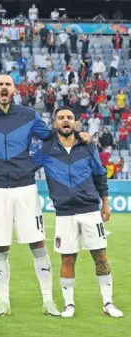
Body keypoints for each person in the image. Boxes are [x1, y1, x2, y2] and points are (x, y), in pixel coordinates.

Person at [0, 74, 79, 316]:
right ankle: (3, 301)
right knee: (0, 247)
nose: (4, 88)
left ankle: (48, 301)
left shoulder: (28, 115)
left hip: (26, 187)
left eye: (8, 84)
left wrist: (34, 162)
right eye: (0, 84)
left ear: (15, 89)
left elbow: (52, 138)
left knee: (38, 244)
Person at [30, 107, 123, 318]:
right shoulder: (46, 149)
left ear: (75, 123)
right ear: (55, 124)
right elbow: (25, 168)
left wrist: (105, 203)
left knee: (100, 257)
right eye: (61, 118)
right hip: (64, 214)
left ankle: (108, 303)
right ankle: (69, 304)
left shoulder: (88, 147)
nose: (65, 121)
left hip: (90, 211)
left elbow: (100, 176)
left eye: (69, 118)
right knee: (67, 259)